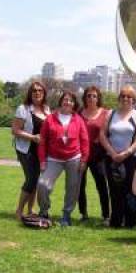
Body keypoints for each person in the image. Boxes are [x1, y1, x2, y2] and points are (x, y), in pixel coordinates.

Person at [37, 90, 89, 227]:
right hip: (53, 159)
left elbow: (84, 141)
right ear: (61, 102)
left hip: (74, 159)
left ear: (74, 104)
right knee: (42, 185)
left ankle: (66, 215)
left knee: (72, 188)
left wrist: (84, 160)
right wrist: (42, 160)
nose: (67, 102)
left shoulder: (78, 119)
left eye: (71, 100)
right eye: (65, 99)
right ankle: (44, 211)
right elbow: (42, 141)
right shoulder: (50, 119)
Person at [99, 85, 136, 228]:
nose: (126, 99)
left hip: (131, 158)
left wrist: (127, 152)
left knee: (130, 190)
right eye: (123, 96)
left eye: (129, 96)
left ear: (133, 100)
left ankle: (130, 220)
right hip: (112, 158)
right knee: (114, 189)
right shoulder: (110, 114)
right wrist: (113, 153)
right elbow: (102, 135)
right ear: (119, 98)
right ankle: (116, 220)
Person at [11, 82, 50, 219]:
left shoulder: (46, 109)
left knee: (36, 180)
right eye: (34, 90)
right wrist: (33, 137)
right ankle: (19, 211)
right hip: (25, 150)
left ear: (44, 93)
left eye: (40, 90)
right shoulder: (23, 109)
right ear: (30, 93)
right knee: (31, 178)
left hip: (40, 152)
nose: (37, 93)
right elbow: (15, 130)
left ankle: (30, 210)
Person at [79, 86, 110, 226]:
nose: (91, 98)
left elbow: (110, 132)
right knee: (80, 185)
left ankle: (106, 215)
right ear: (85, 98)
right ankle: (83, 214)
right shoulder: (79, 113)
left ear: (98, 98)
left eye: (94, 96)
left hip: (99, 156)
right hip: (81, 155)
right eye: (89, 96)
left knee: (102, 185)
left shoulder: (106, 113)